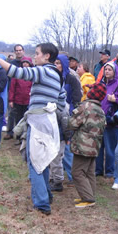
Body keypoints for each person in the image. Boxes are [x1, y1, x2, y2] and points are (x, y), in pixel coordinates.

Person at [0, 41, 66, 216]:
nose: (34, 56)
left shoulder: (44, 71)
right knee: (42, 161)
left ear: (47, 56)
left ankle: (42, 204)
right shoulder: (57, 76)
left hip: (39, 122)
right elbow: (61, 102)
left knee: (35, 163)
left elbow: (17, 72)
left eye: (37, 53)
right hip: (48, 122)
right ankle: (47, 195)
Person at [68, 83, 107, 208]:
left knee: (77, 172)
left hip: (83, 146)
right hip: (95, 146)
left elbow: (73, 123)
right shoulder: (101, 110)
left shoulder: (85, 107)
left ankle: (88, 198)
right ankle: (90, 195)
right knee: (89, 172)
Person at [49, 54, 82, 192]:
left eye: (58, 63)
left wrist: (71, 115)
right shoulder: (51, 78)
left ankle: (70, 176)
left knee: (66, 148)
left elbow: (77, 99)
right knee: (54, 148)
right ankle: (54, 176)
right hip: (53, 115)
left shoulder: (71, 79)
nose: (56, 65)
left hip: (67, 116)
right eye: (54, 62)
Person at [95, 61, 118, 177]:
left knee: (110, 148)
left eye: (110, 70)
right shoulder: (100, 84)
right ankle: (98, 170)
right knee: (98, 147)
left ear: (115, 72)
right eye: (106, 69)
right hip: (99, 120)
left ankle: (110, 171)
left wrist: (115, 100)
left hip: (111, 121)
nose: (107, 72)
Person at [5, 57, 33, 141]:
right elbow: (12, 88)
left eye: (27, 63)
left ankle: (26, 136)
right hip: (18, 101)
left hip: (28, 101)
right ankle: (18, 136)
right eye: (23, 62)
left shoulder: (33, 75)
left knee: (28, 119)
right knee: (18, 119)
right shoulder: (17, 75)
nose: (25, 64)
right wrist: (11, 100)